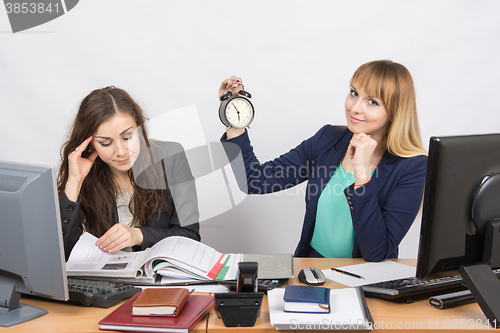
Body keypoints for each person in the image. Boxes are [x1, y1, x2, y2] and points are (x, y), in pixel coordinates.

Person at [219, 60, 427, 261]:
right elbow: (254, 180)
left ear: (395, 111)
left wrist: (362, 174)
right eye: (354, 93)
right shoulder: (328, 139)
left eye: (372, 102)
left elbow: (377, 253)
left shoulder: (413, 166)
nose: (355, 108)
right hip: (313, 270)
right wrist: (235, 118)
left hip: (367, 282)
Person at [58, 86, 200, 261]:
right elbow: (63, 255)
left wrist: (138, 235)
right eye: (106, 143)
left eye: (127, 137)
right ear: (90, 143)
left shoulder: (172, 157)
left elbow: (190, 236)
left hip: (157, 279)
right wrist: (74, 182)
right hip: (106, 284)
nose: (121, 151)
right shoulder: (83, 171)